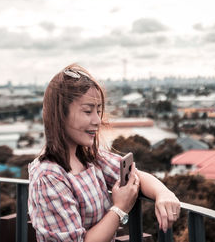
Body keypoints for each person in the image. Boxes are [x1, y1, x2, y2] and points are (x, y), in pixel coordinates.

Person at [28, 64, 180, 242]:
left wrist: (163, 193)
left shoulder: (90, 157)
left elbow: (135, 176)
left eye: (98, 111)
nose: (97, 120)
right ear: (60, 114)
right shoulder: (49, 176)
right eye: (88, 111)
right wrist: (120, 208)